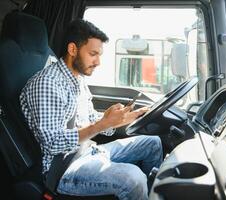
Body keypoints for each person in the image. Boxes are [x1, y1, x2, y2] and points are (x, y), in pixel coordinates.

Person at [19, 19, 163, 200]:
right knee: (133, 178)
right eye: (93, 54)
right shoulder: (47, 84)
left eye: (99, 54)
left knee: (153, 143)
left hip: (88, 150)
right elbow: (52, 143)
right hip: (64, 169)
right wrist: (102, 125)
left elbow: (89, 117)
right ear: (72, 50)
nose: (98, 62)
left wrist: (119, 119)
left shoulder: (77, 79)